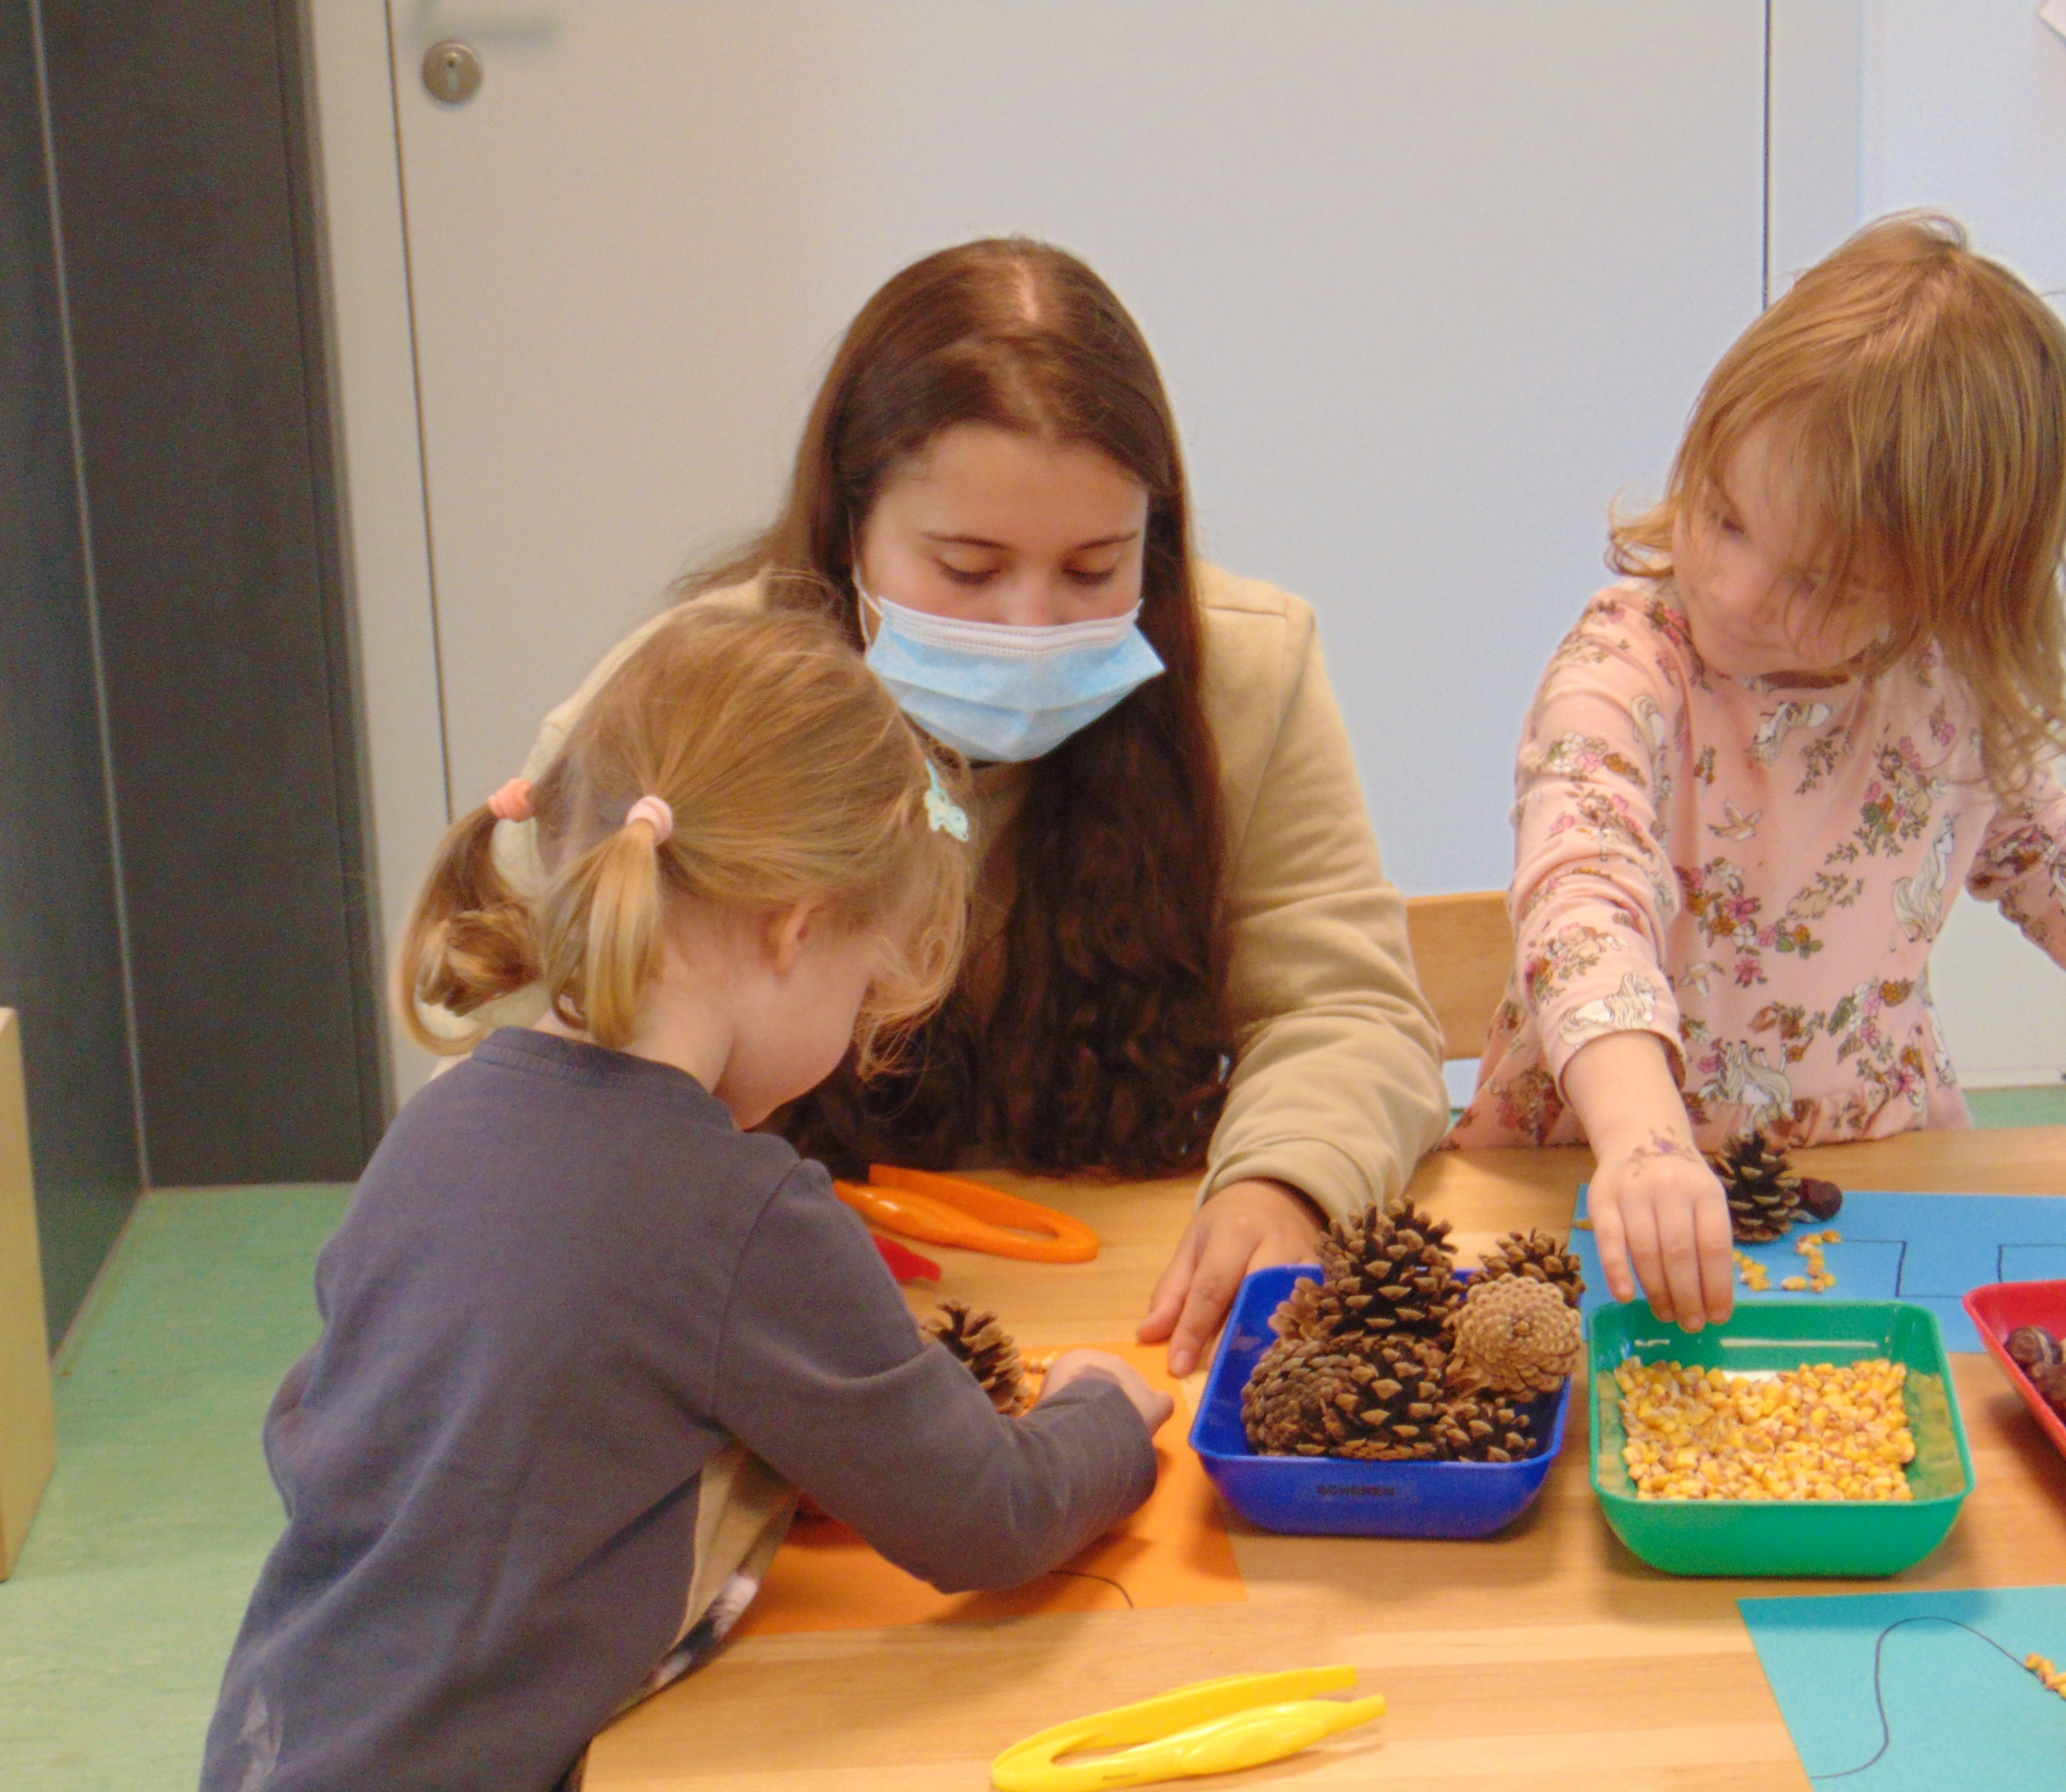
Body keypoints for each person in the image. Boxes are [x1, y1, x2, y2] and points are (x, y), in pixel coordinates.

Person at [204, 609, 1169, 1791]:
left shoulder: (438, 1123)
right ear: (796, 930)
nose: (854, 1033)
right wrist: (1108, 1417)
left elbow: (337, 1420)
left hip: (276, 1739)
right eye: (862, 988)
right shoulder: (739, 1211)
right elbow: (990, 1519)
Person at [490, 239, 1448, 1374]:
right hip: (775, 1318)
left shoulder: (1250, 672)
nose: (1032, 624)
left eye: (1096, 570)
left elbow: (1346, 1011)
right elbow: (527, 1075)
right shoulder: (691, 702)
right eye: (966, 568)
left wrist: (1287, 1183)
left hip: (1125, 1293)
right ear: (848, 532)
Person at [1447, 214, 2066, 1332]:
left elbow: (2058, 861)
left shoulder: (1938, 687)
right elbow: (1582, 896)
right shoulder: (1625, 667)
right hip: (1602, 1166)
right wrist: (1644, 1136)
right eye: (1722, 516)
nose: (1733, 590)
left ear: (1945, 591)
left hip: (1876, 1174)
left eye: (1819, 580)